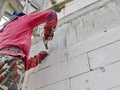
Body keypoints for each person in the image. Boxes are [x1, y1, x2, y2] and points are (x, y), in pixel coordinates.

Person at [0, 9, 58, 90]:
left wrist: (38, 58)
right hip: (11, 60)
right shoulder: (23, 19)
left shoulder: (3, 32)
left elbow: (12, 59)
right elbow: (51, 14)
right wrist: (47, 35)